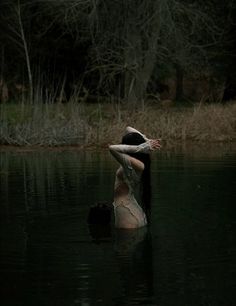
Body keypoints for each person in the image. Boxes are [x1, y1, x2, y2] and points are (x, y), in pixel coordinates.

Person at [109, 126, 161, 229]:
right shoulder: (134, 162)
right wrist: (147, 141)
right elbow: (128, 128)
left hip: (126, 212)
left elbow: (112, 148)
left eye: (125, 145)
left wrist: (139, 148)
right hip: (131, 209)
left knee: (125, 244)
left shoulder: (137, 164)